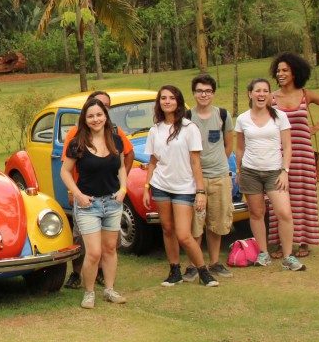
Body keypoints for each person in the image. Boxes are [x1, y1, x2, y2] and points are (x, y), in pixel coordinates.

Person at [142, 85, 219, 287]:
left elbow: (195, 162)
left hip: (184, 188)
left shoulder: (189, 128)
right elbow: (153, 161)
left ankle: (203, 271)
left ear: (178, 102)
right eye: (163, 98)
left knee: (184, 234)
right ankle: (174, 270)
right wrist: (146, 187)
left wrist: (200, 191)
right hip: (160, 186)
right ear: (159, 102)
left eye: (171, 98)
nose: (167, 101)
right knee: (167, 229)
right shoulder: (155, 130)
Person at [268, 53, 319, 259]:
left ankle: (304, 241)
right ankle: (281, 243)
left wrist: (316, 127)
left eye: (285, 70)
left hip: (303, 156)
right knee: (279, 198)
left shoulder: (306, 95)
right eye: (278, 70)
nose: (280, 74)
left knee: (304, 199)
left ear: (295, 73)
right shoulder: (271, 98)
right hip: (279, 157)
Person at [59, 98, 128, 308]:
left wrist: (123, 189)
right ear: (85, 119)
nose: (95, 119)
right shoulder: (77, 143)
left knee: (110, 249)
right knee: (94, 252)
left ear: (105, 116)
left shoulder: (116, 140)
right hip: (88, 205)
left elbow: (121, 167)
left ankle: (109, 289)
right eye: (90, 116)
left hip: (113, 202)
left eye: (99, 115)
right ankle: (89, 292)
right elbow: (65, 172)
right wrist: (77, 194)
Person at [235, 78, 304, 271]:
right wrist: (239, 171)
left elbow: (287, 147)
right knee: (257, 213)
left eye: (265, 91)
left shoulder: (280, 117)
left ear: (270, 95)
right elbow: (239, 148)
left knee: (284, 213)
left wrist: (285, 171)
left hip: (275, 172)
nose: (261, 94)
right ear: (250, 94)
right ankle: (263, 253)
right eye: (257, 91)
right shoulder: (242, 119)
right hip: (250, 172)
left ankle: (288, 256)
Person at [183, 74, 235, 280]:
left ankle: (214, 262)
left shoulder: (222, 114)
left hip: (220, 177)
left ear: (213, 93)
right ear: (194, 93)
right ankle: (194, 265)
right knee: (195, 225)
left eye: (207, 91)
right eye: (199, 91)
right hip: (195, 180)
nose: (203, 95)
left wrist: (219, 163)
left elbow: (228, 145)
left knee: (217, 223)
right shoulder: (187, 117)